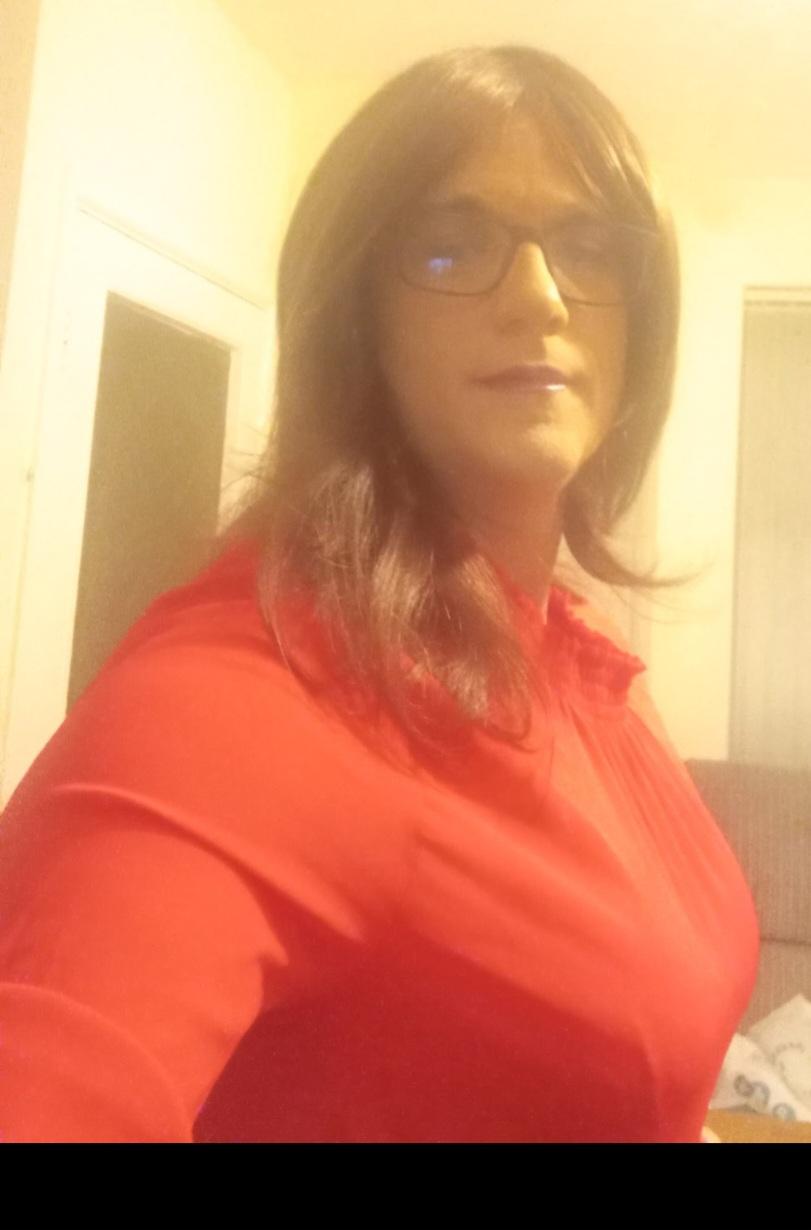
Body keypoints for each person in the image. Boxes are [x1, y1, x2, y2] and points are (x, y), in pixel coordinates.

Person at [0, 44, 758, 1143]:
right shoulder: (244, 703)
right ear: (357, 316)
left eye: (591, 247)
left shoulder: (586, 654)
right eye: (452, 246)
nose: (541, 297)